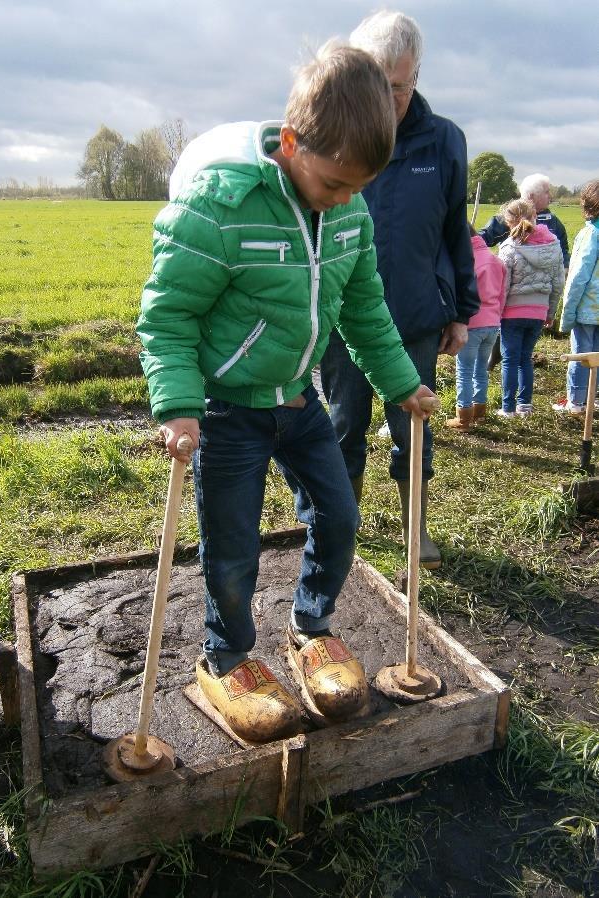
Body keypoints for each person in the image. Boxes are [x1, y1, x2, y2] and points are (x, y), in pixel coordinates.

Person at [137, 45, 436, 742]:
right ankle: (228, 658)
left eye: (359, 187)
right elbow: (168, 315)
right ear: (292, 142)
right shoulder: (220, 207)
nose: (344, 197)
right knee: (233, 548)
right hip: (225, 410)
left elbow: (365, 312)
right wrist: (178, 407)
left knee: (339, 517)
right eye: (334, 182)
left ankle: (310, 628)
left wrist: (403, 384)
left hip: (300, 401)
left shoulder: (351, 217)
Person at [319, 10, 479, 569]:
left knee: (414, 426)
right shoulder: (333, 133)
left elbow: (456, 231)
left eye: (398, 87)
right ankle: (337, 527)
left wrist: (460, 311)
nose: (385, 100)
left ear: (417, 77)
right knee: (342, 425)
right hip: (341, 316)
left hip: (413, 315)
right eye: (373, 83)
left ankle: (416, 530)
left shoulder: (444, 142)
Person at [496, 199, 564, 417]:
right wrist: (550, 312)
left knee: (510, 359)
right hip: (539, 310)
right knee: (525, 358)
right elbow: (558, 282)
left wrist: (497, 312)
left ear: (509, 222)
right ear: (535, 215)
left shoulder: (509, 246)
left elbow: (503, 285)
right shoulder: (553, 244)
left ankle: (508, 407)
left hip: (513, 312)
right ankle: (525, 405)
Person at [446, 224, 507, 431]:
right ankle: (480, 411)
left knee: (464, 370)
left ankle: (463, 417)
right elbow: (502, 294)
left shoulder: (467, 262)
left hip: (472, 323)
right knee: (481, 368)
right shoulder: (496, 260)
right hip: (493, 323)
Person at [553, 180, 599, 415]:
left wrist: (567, 312)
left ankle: (577, 402)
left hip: (588, 308)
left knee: (581, 355)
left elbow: (578, 276)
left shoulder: (591, 233)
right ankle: (593, 398)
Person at [479, 173, 570, 268]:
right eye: (546, 192)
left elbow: (563, 251)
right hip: (515, 279)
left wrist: (565, 269)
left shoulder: (553, 221)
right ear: (531, 196)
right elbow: (480, 239)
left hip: (545, 280)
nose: (550, 196)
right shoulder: (510, 217)